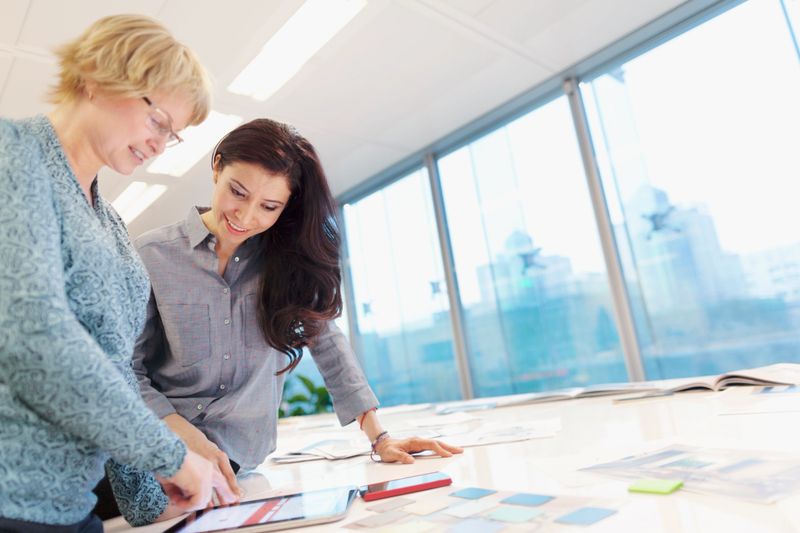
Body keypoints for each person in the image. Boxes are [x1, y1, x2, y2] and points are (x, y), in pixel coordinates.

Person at [132, 118, 463, 496]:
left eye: (269, 206)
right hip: (156, 450)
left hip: (238, 463)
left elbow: (329, 346)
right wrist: (184, 435)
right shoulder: (151, 255)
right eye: (237, 192)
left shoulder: (286, 265)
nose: (246, 216)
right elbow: (129, 369)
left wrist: (380, 437)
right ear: (217, 167)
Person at [0, 14, 237, 533]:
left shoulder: (113, 229)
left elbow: (114, 372)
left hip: (70, 509)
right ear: (95, 77)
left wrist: (148, 498)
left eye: (173, 134)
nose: (161, 142)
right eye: (158, 120)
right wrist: (170, 455)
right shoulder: (13, 154)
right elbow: (34, 338)